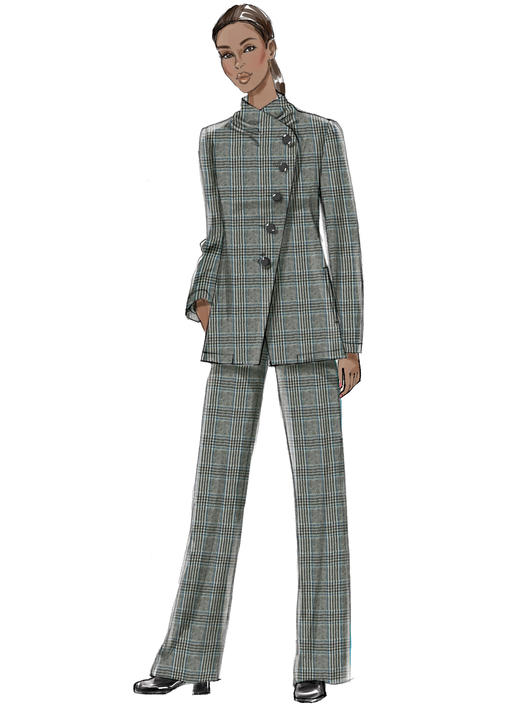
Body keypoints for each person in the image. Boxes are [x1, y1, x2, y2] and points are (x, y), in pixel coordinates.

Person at [134, 4, 364, 703]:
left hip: (308, 325)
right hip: (234, 324)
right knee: (214, 495)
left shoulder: (320, 133)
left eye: (246, 48)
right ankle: (189, 654)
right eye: (225, 55)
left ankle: (316, 659)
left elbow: (344, 239)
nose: (237, 65)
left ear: (271, 47)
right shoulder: (214, 140)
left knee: (320, 497)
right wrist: (200, 297)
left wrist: (351, 339)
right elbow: (216, 235)